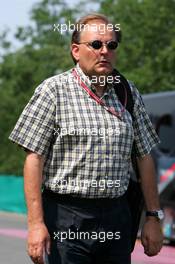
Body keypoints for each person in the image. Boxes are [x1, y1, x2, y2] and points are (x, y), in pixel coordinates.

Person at [9, 13, 164, 264]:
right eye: (96, 44)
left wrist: (153, 217)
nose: (104, 51)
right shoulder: (53, 91)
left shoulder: (128, 92)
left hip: (117, 216)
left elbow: (144, 157)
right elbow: (33, 158)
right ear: (76, 51)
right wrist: (36, 224)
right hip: (65, 217)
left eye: (111, 45)